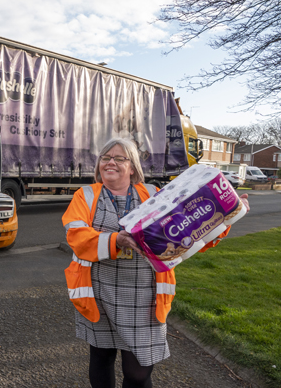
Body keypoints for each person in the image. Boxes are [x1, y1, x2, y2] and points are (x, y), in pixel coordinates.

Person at [62, 138, 249, 388]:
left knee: (139, 372)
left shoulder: (151, 194)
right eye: (105, 158)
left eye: (119, 158)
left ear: (132, 167)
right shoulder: (85, 195)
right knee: (102, 356)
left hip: (144, 296)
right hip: (100, 292)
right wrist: (116, 240)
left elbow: (187, 228)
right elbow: (76, 236)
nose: (111, 162)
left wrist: (228, 216)